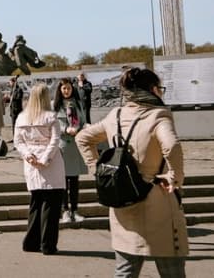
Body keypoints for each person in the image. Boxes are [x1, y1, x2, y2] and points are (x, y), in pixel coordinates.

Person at [75, 67, 188, 278]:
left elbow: (83, 138)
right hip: (157, 199)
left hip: (122, 198)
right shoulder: (158, 116)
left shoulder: (115, 115)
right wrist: (175, 177)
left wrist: (97, 170)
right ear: (154, 89)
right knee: (171, 270)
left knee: (125, 271)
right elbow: (172, 146)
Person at [14, 83, 65, 256]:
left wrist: (28, 155)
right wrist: (46, 158)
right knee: (51, 205)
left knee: (36, 203)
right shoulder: (51, 117)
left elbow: (18, 142)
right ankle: (48, 244)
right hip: (50, 163)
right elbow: (55, 140)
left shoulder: (21, 118)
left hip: (31, 162)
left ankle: (31, 241)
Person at [53, 78, 88, 223]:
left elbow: (83, 121)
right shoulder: (55, 106)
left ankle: (75, 210)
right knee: (63, 181)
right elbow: (53, 125)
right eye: (64, 89)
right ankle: (65, 211)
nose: (66, 91)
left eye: (68, 88)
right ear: (60, 91)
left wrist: (84, 127)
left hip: (75, 146)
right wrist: (65, 129)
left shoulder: (78, 104)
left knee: (74, 181)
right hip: (62, 146)